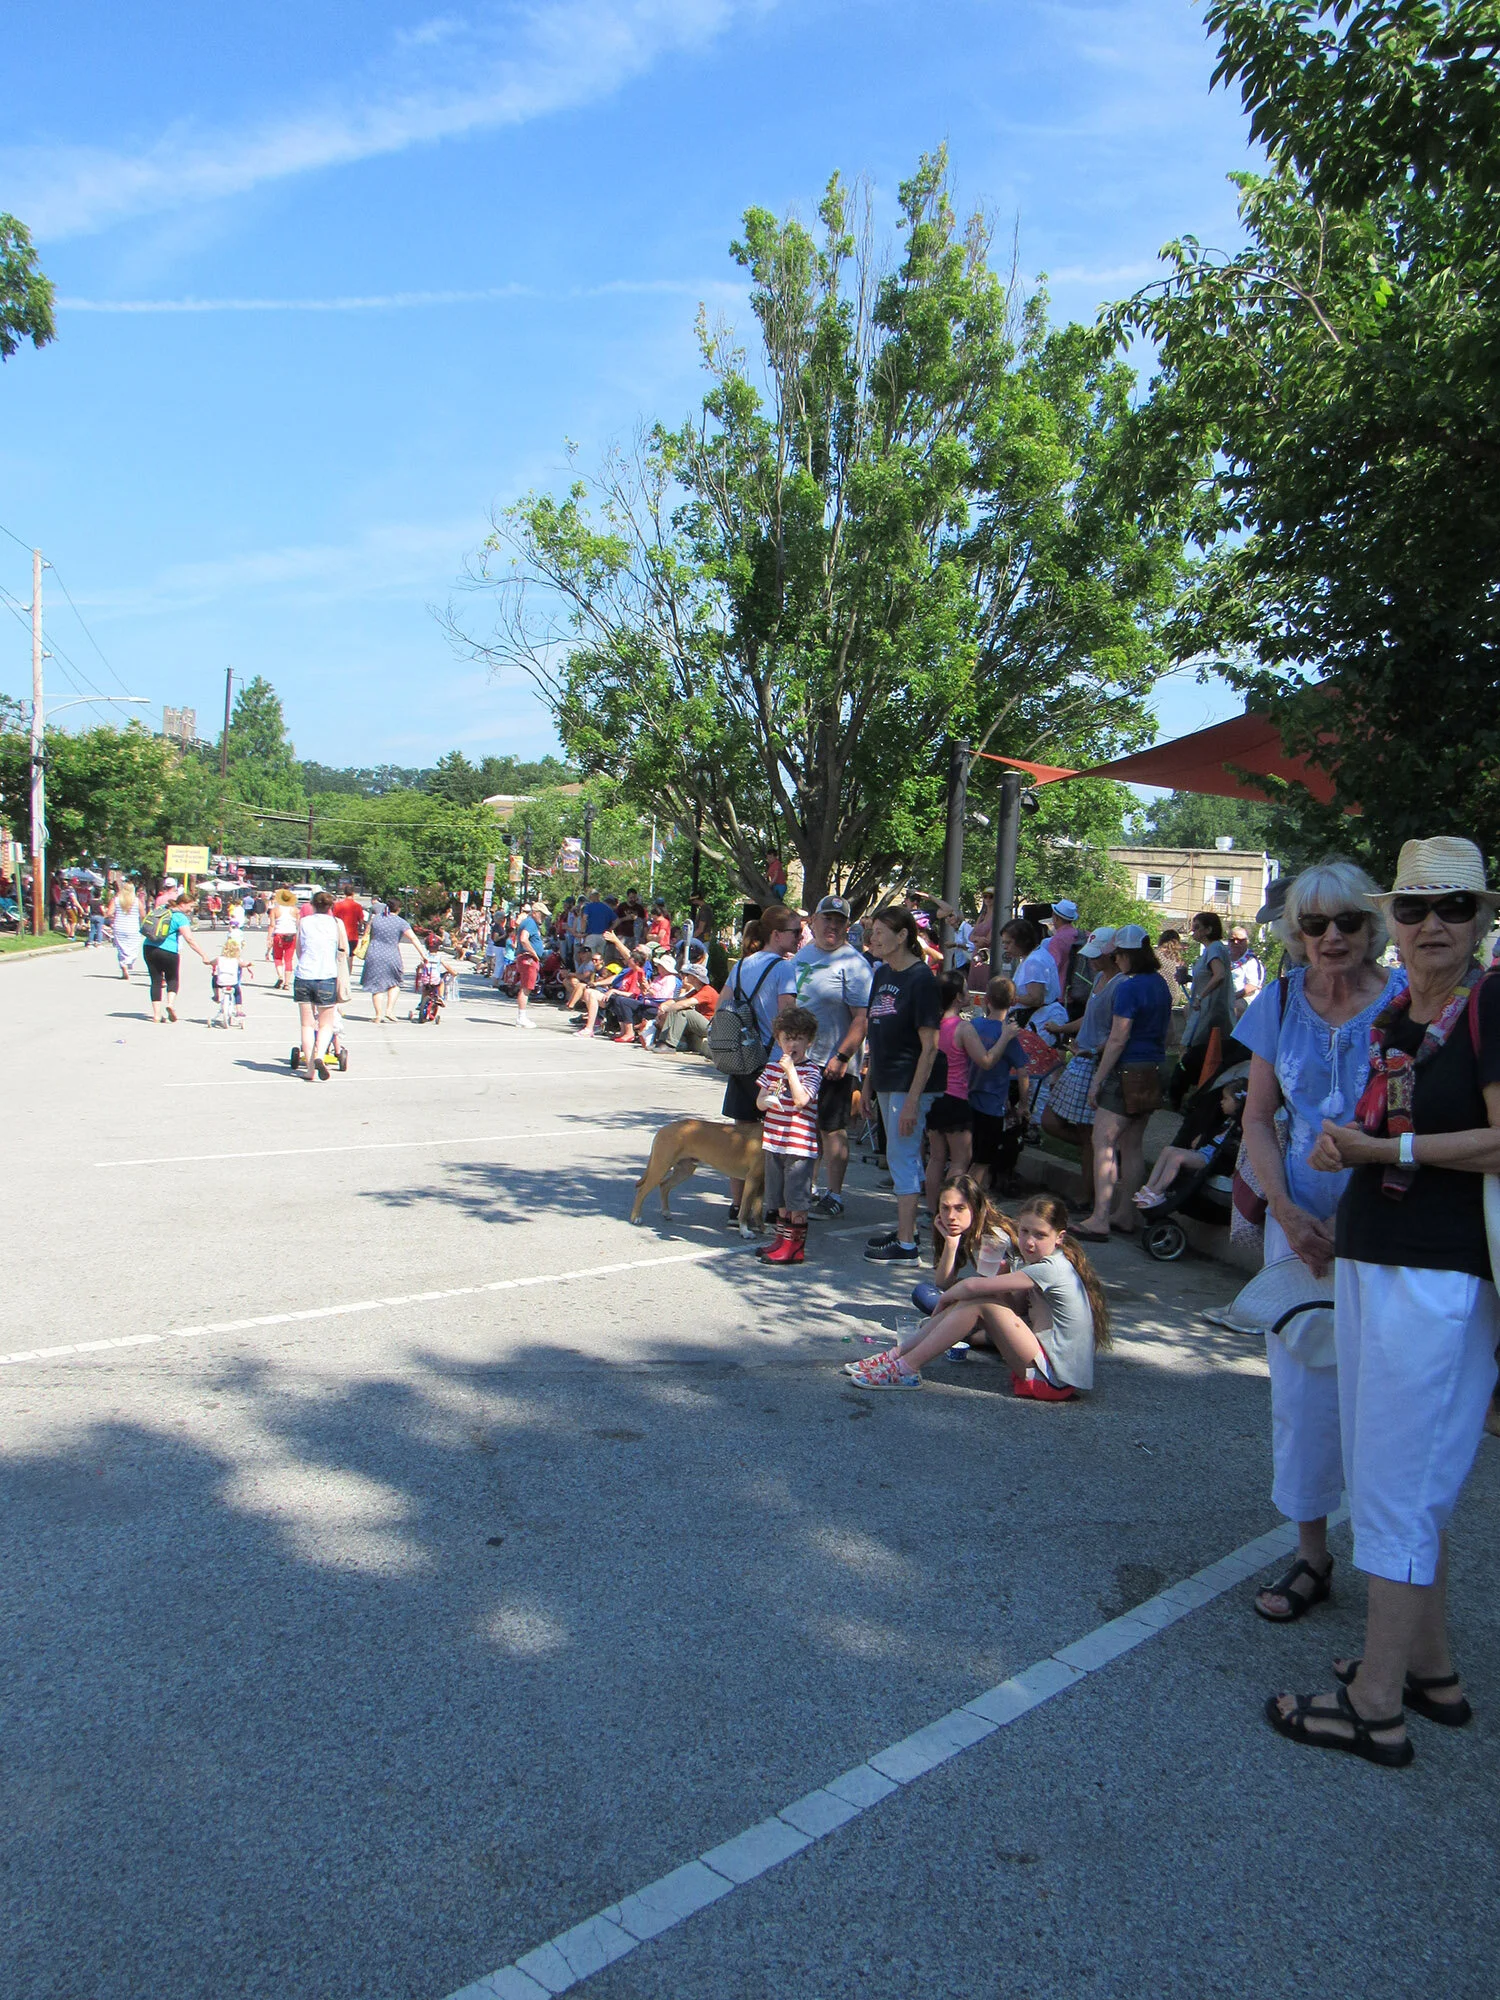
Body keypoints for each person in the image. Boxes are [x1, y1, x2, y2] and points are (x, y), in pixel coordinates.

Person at [1268, 837, 1500, 1768]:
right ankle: (1428, 1672)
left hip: (1435, 1277)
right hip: (1377, 1261)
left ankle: (1374, 1705)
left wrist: (1383, 1152)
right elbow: (1386, 1123)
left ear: (1481, 918)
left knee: (1400, 1486)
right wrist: (1348, 1145)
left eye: (1454, 907)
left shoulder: (1491, 1003)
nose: (1431, 923)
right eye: (1414, 907)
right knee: (1386, 1480)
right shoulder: (1405, 1014)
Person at [1235, 860, 1399, 1623]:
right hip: (1296, 1229)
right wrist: (1287, 1211)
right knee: (1302, 1395)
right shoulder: (1276, 1001)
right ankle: (1311, 1555)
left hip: (1389, 1229)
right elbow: (1258, 1117)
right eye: (1315, 924)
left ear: (1373, 926)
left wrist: (1353, 1219)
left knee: (1383, 1400)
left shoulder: (1407, 1004)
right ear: (1296, 933)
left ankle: (1393, 1572)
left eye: (1348, 921)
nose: (1332, 937)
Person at [847, 1192, 1109, 1393]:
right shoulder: (1041, 1263)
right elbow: (1015, 1309)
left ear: (1059, 1237)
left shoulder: (1052, 1268)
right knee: (978, 1301)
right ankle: (895, 1357)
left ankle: (905, 1368)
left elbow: (972, 1286)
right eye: (1024, 1231)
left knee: (976, 1301)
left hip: (1054, 1380)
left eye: (1040, 1235)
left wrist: (945, 1299)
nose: (1029, 1242)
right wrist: (1000, 1278)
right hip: (1048, 1371)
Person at [1074, 925, 1173, 1240]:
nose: (1115, 959)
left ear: (1128, 955)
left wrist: (1097, 1080)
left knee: (1103, 1141)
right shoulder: (1160, 984)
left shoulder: (1129, 988)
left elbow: (1118, 1038)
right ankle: (1126, 1214)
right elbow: (1169, 1033)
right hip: (1153, 1068)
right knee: (1132, 1145)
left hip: (1127, 1070)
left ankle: (1100, 1218)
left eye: (1117, 954)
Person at [863, 906, 943, 1266]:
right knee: (898, 1154)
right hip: (885, 1079)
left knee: (902, 1156)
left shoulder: (921, 979)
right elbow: (876, 1033)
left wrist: (912, 1100)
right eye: (873, 931)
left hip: (909, 1083)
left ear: (903, 936)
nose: (874, 938)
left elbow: (930, 1047)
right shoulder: (882, 973)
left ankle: (907, 1245)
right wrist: (868, 1083)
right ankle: (904, 1230)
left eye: (881, 932)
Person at [786, 895, 872, 1218]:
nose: (832, 926)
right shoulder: (802, 955)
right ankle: (807, 1188)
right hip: (801, 1060)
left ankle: (834, 1194)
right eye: (827, 919)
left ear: (847, 926)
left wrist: (842, 1056)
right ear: (814, 921)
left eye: (839, 921)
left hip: (833, 1061)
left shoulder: (855, 964)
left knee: (832, 1129)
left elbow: (861, 1018)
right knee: (804, 1128)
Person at [720, 904, 802, 1221]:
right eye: (795, 932)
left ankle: (737, 1205)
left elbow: (723, 1005)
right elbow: (788, 1017)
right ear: (776, 934)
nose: (800, 937)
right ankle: (769, 1206)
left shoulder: (742, 964)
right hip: (771, 1065)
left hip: (740, 1060)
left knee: (740, 1136)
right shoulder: (784, 969)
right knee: (774, 1135)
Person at [923, 969, 1018, 1217]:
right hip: (955, 1098)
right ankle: (950, 1212)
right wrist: (1005, 1037)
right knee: (960, 1160)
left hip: (932, 1097)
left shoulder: (932, 1024)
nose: (969, 993)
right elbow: (986, 1061)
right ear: (957, 996)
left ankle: (932, 1210)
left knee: (936, 1157)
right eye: (965, 989)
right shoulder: (962, 1028)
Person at [1039, 927, 1118, 1215]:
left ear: (1113, 955)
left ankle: (1087, 1194)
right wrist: (1063, 1028)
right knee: (1050, 1120)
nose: (1092, 960)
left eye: (1097, 956)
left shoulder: (1120, 984)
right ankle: (1102, 1155)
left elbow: (1119, 1030)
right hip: (1081, 1058)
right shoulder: (1099, 978)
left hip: (1095, 1061)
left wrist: (1095, 1051)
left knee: (1088, 1134)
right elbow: (1089, 1017)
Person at [754, 1006, 823, 1266]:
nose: (792, 1044)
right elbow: (760, 1103)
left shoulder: (811, 1071)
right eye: (787, 1038)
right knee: (778, 1197)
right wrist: (768, 1097)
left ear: (809, 1041)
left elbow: (801, 1100)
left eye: (798, 1039)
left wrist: (791, 1071)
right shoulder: (772, 1069)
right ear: (778, 1039)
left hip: (798, 1146)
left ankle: (795, 1248)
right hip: (774, 1141)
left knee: (796, 1199)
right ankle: (781, 1240)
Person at [910, 1173, 1017, 1319]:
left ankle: (961, 1322)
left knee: (934, 1296)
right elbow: (942, 1284)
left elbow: (990, 1292)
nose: (951, 1216)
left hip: (1007, 1310)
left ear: (975, 1208)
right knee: (922, 1292)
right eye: (945, 1208)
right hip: (986, 1303)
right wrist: (951, 1243)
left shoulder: (994, 1238)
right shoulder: (960, 1232)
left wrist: (962, 1288)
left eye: (959, 1208)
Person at [1133, 1077, 1247, 1208]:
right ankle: (1149, 1186)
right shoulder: (1227, 1121)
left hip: (1210, 1159)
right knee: (1168, 1150)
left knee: (1177, 1158)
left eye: (1226, 1099)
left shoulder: (1239, 1128)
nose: (1221, 1102)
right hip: (1204, 1153)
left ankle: (1158, 1190)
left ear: (1238, 1103)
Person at [966, 977, 1027, 1195]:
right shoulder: (1009, 1035)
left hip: (967, 1099)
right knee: (983, 1161)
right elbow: (1022, 1071)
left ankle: (972, 1197)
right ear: (1014, 1002)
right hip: (992, 1105)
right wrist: (1023, 1104)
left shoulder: (974, 1026)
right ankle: (968, 1199)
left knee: (968, 1157)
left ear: (986, 1000)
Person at [293, 889, 350, 1080]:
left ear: (312, 905)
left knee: (307, 1025)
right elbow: (344, 950)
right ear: (331, 906)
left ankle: (310, 1069)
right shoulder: (337, 923)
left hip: (304, 975)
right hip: (327, 976)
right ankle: (319, 1055)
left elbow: (299, 950)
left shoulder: (304, 922)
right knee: (326, 1024)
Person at [140, 891, 212, 1024]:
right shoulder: (180, 917)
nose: (191, 910)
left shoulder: (162, 909)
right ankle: (170, 1004)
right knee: (172, 978)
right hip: (169, 951)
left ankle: (156, 1015)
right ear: (182, 904)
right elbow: (189, 939)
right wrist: (203, 955)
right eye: (190, 907)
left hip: (149, 947)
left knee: (156, 981)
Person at [361, 896, 428, 1024]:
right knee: (395, 983)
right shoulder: (401, 922)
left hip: (374, 953)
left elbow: (368, 933)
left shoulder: (376, 919)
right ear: (399, 909)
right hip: (391, 954)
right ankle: (389, 1010)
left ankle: (378, 1015)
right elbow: (413, 938)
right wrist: (423, 954)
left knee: (377, 986)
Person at [655, 964, 719, 1053]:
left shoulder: (707, 991)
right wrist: (663, 1005)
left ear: (695, 978)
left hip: (711, 1027)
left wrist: (666, 1009)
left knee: (684, 1012)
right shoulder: (696, 991)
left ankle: (670, 1045)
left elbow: (685, 1003)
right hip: (702, 1025)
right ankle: (662, 1042)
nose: (685, 976)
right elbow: (678, 1000)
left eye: (687, 974)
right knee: (676, 1008)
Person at [1000, 917, 1061, 1009]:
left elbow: (1036, 999)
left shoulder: (1034, 962)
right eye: (1004, 943)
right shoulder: (1035, 955)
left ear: (1022, 941)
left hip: (1039, 1016)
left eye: (1008, 943)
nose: (1005, 947)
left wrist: (1011, 998)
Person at [211, 934, 249, 1029]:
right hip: (232, 982)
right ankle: (238, 1010)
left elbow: (211, 962)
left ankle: (216, 995)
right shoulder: (236, 960)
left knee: (214, 978)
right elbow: (243, 964)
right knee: (237, 992)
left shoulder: (219, 959)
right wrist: (249, 964)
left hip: (221, 982)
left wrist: (208, 962)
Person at [107, 882, 142, 981]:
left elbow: (109, 913)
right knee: (134, 947)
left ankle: (124, 966)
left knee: (121, 948)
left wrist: (113, 917)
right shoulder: (137, 901)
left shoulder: (116, 900)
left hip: (119, 927)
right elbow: (143, 914)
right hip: (133, 928)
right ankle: (129, 961)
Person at [267, 887, 300, 990]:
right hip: (291, 935)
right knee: (288, 959)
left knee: (277, 957)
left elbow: (272, 925)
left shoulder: (275, 910)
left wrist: (269, 937)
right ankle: (287, 983)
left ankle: (280, 976)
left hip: (279, 934)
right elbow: (298, 925)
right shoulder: (295, 910)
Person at [1229, 925, 1264, 1018]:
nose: (1235, 942)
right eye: (1232, 940)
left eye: (1239, 940)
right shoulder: (1224, 958)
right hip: (1227, 997)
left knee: (1235, 1008)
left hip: (1245, 999)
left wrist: (1232, 997)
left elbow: (1251, 987)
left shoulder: (1251, 961)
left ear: (1246, 942)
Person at [1045, 899, 1079, 983]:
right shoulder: (1083, 935)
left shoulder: (1057, 940)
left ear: (1055, 918)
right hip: (1081, 985)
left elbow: (1052, 968)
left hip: (1062, 986)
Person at [332, 886, 365, 959]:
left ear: (344, 893)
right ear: (353, 893)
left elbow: (333, 919)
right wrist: (359, 929)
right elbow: (361, 921)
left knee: (339, 957)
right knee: (350, 957)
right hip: (352, 936)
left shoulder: (337, 905)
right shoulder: (357, 906)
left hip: (339, 935)